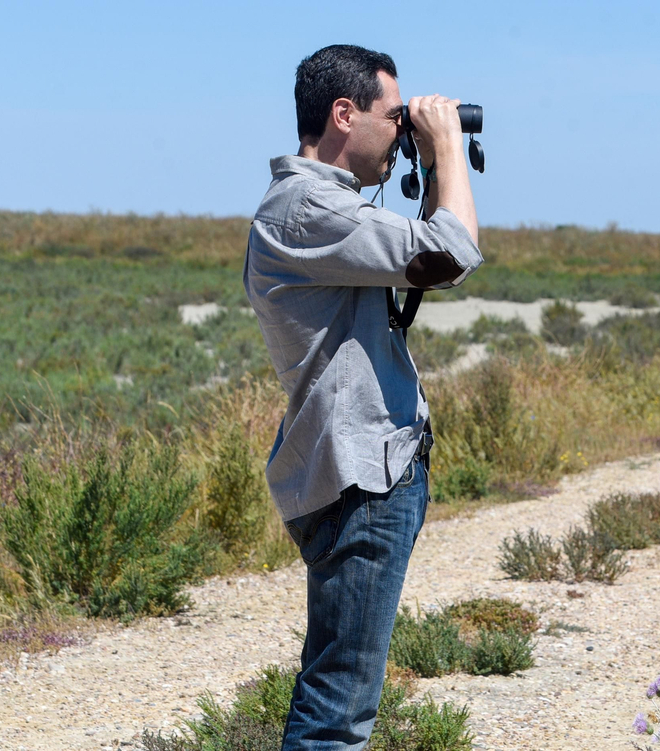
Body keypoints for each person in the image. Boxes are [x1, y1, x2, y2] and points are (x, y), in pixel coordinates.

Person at [243, 43, 483, 750]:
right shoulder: (309, 206)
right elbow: (455, 252)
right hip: (359, 480)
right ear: (344, 114)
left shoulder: (320, 207)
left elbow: (429, 258)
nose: (401, 129)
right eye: (394, 115)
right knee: (338, 712)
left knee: (335, 692)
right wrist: (446, 150)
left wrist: (431, 154)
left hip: (358, 472)